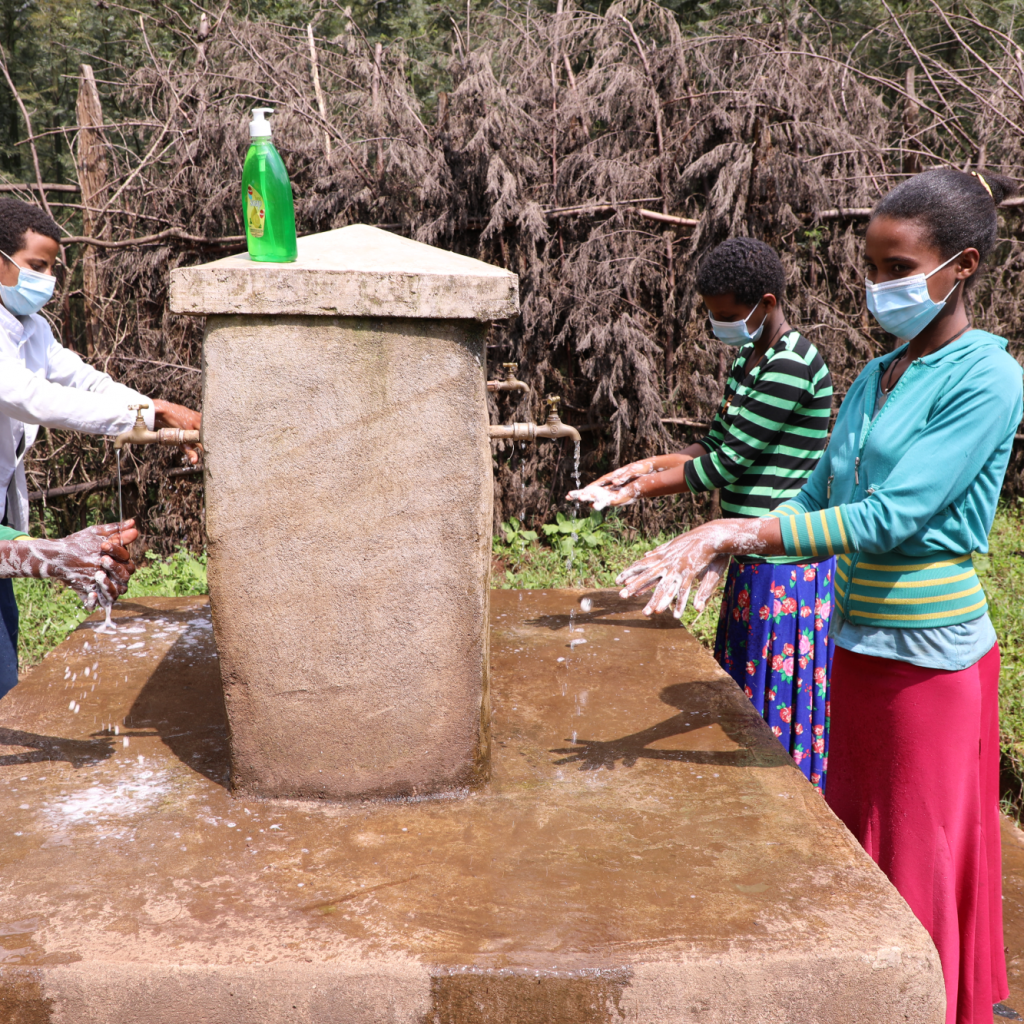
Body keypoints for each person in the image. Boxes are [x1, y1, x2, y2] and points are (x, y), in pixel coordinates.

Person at [615, 168, 1022, 1024]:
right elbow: (817, 498)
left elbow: (891, 516)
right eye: (871, 267)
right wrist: (726, 539)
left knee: (916, 862)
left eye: (897, 266)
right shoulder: (877, 376)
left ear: (965, 267)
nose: (879, 286)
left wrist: (737, 533)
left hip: (929, 662)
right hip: (857, 641)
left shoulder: (987, 378)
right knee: (859, 855)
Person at [569, 238, 835, 790]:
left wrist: (638, 493)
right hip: (743, 548)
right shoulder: (750, 357)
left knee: (773, 695)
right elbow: (711, 446)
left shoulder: (791, 364)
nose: (720, 325)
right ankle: (746, 792)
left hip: (783, 559)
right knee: (741, 684)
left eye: (728, 315)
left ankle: (787, 796)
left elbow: (726, 467)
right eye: (713, 315)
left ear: (766, 301)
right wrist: (636, 471)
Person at [0, 197, 201, 700]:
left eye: (51, 268)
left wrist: (153, 410)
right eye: (36, 267)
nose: (47, 281)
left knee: (5, 666)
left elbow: (84, 381)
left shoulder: (31, 328)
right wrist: (147, 414)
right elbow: (30, 397)